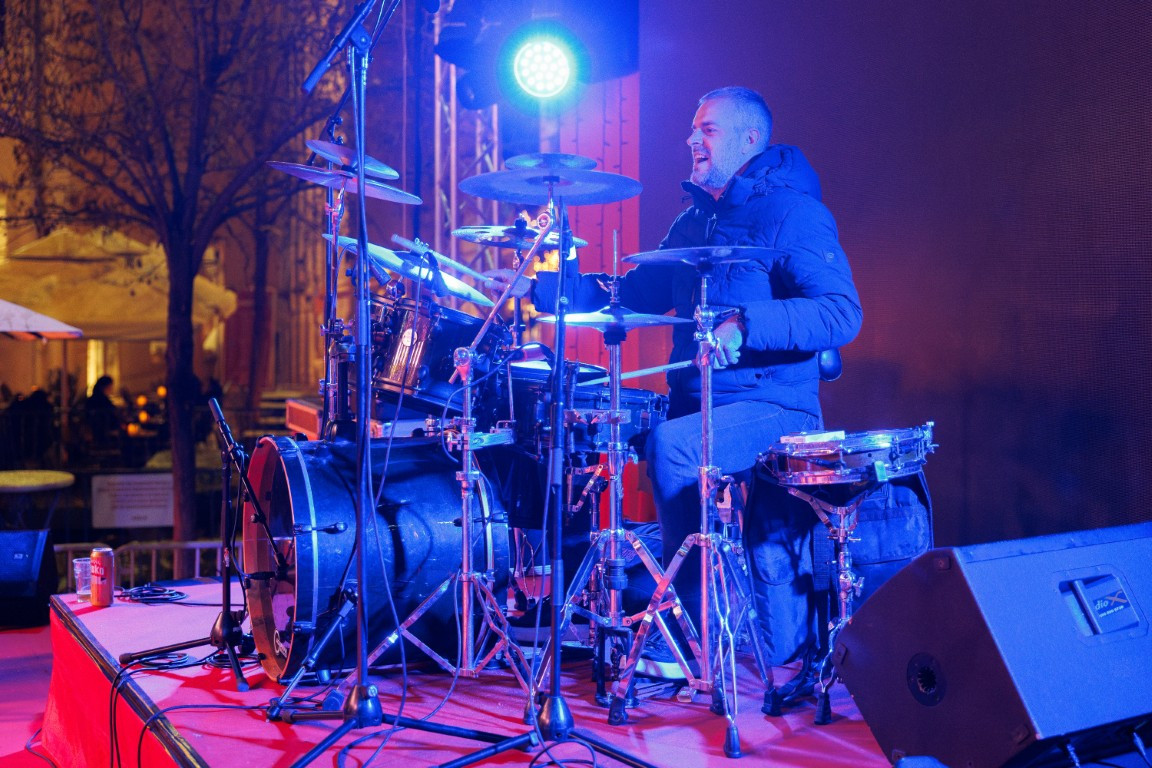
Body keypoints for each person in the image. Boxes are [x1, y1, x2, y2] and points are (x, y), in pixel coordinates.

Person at [487, 86, 863, 684]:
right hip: (696, 404)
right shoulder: (694, 220)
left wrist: (747, 324)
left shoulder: (793, 214)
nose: (692, 139)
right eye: (693, 129)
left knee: (673, 446)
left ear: (748, 139)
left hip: (775, 405)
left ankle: (689, 632)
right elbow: (632, 295)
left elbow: (842, 313)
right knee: (613, 426)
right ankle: (596, 604)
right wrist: (550, 280)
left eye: (707, 129)